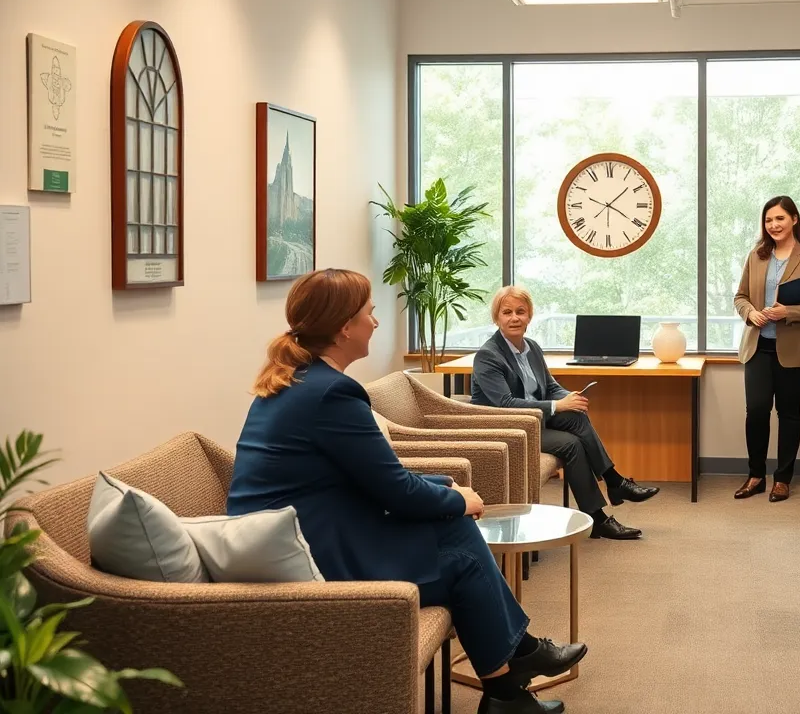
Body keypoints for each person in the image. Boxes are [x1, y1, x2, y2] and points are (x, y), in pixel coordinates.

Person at [227, 269, 585, 714]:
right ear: (344, 328)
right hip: (306, 549)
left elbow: (371, 477)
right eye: (370, 313)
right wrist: (457, 498)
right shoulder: (332, 393)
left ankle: (510, 684)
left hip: (307, 526)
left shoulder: (301, 380)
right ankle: (513, 676)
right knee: (462, 561)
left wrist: (445, 487)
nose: (376, 323)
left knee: (455, 530)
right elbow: (393, 490)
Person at [469, 286, 659, 540]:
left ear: (529, 316)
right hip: (507, 426)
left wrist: (569, 397)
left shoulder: (532, 348)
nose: (514, 318)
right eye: (507, 312)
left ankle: (609, 495)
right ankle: (610, 495)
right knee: (571, 444)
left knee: (576, 416)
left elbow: (549, 386)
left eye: (520, 312)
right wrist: (558, 406)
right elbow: (505, 403)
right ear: (497, 318)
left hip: (533, 420)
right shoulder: (488, 355)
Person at [732, 196, 800, 502]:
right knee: (757, 411)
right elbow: (741, 296)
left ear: (794, 220)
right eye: (768, 220)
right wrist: (751, 313)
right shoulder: (757, 255)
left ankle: (783, 479)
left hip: (795, 350)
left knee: (788, 414)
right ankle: (755, 476)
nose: (773, 225)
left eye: (779, 219)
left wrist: (788, 312)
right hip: (758, 346)